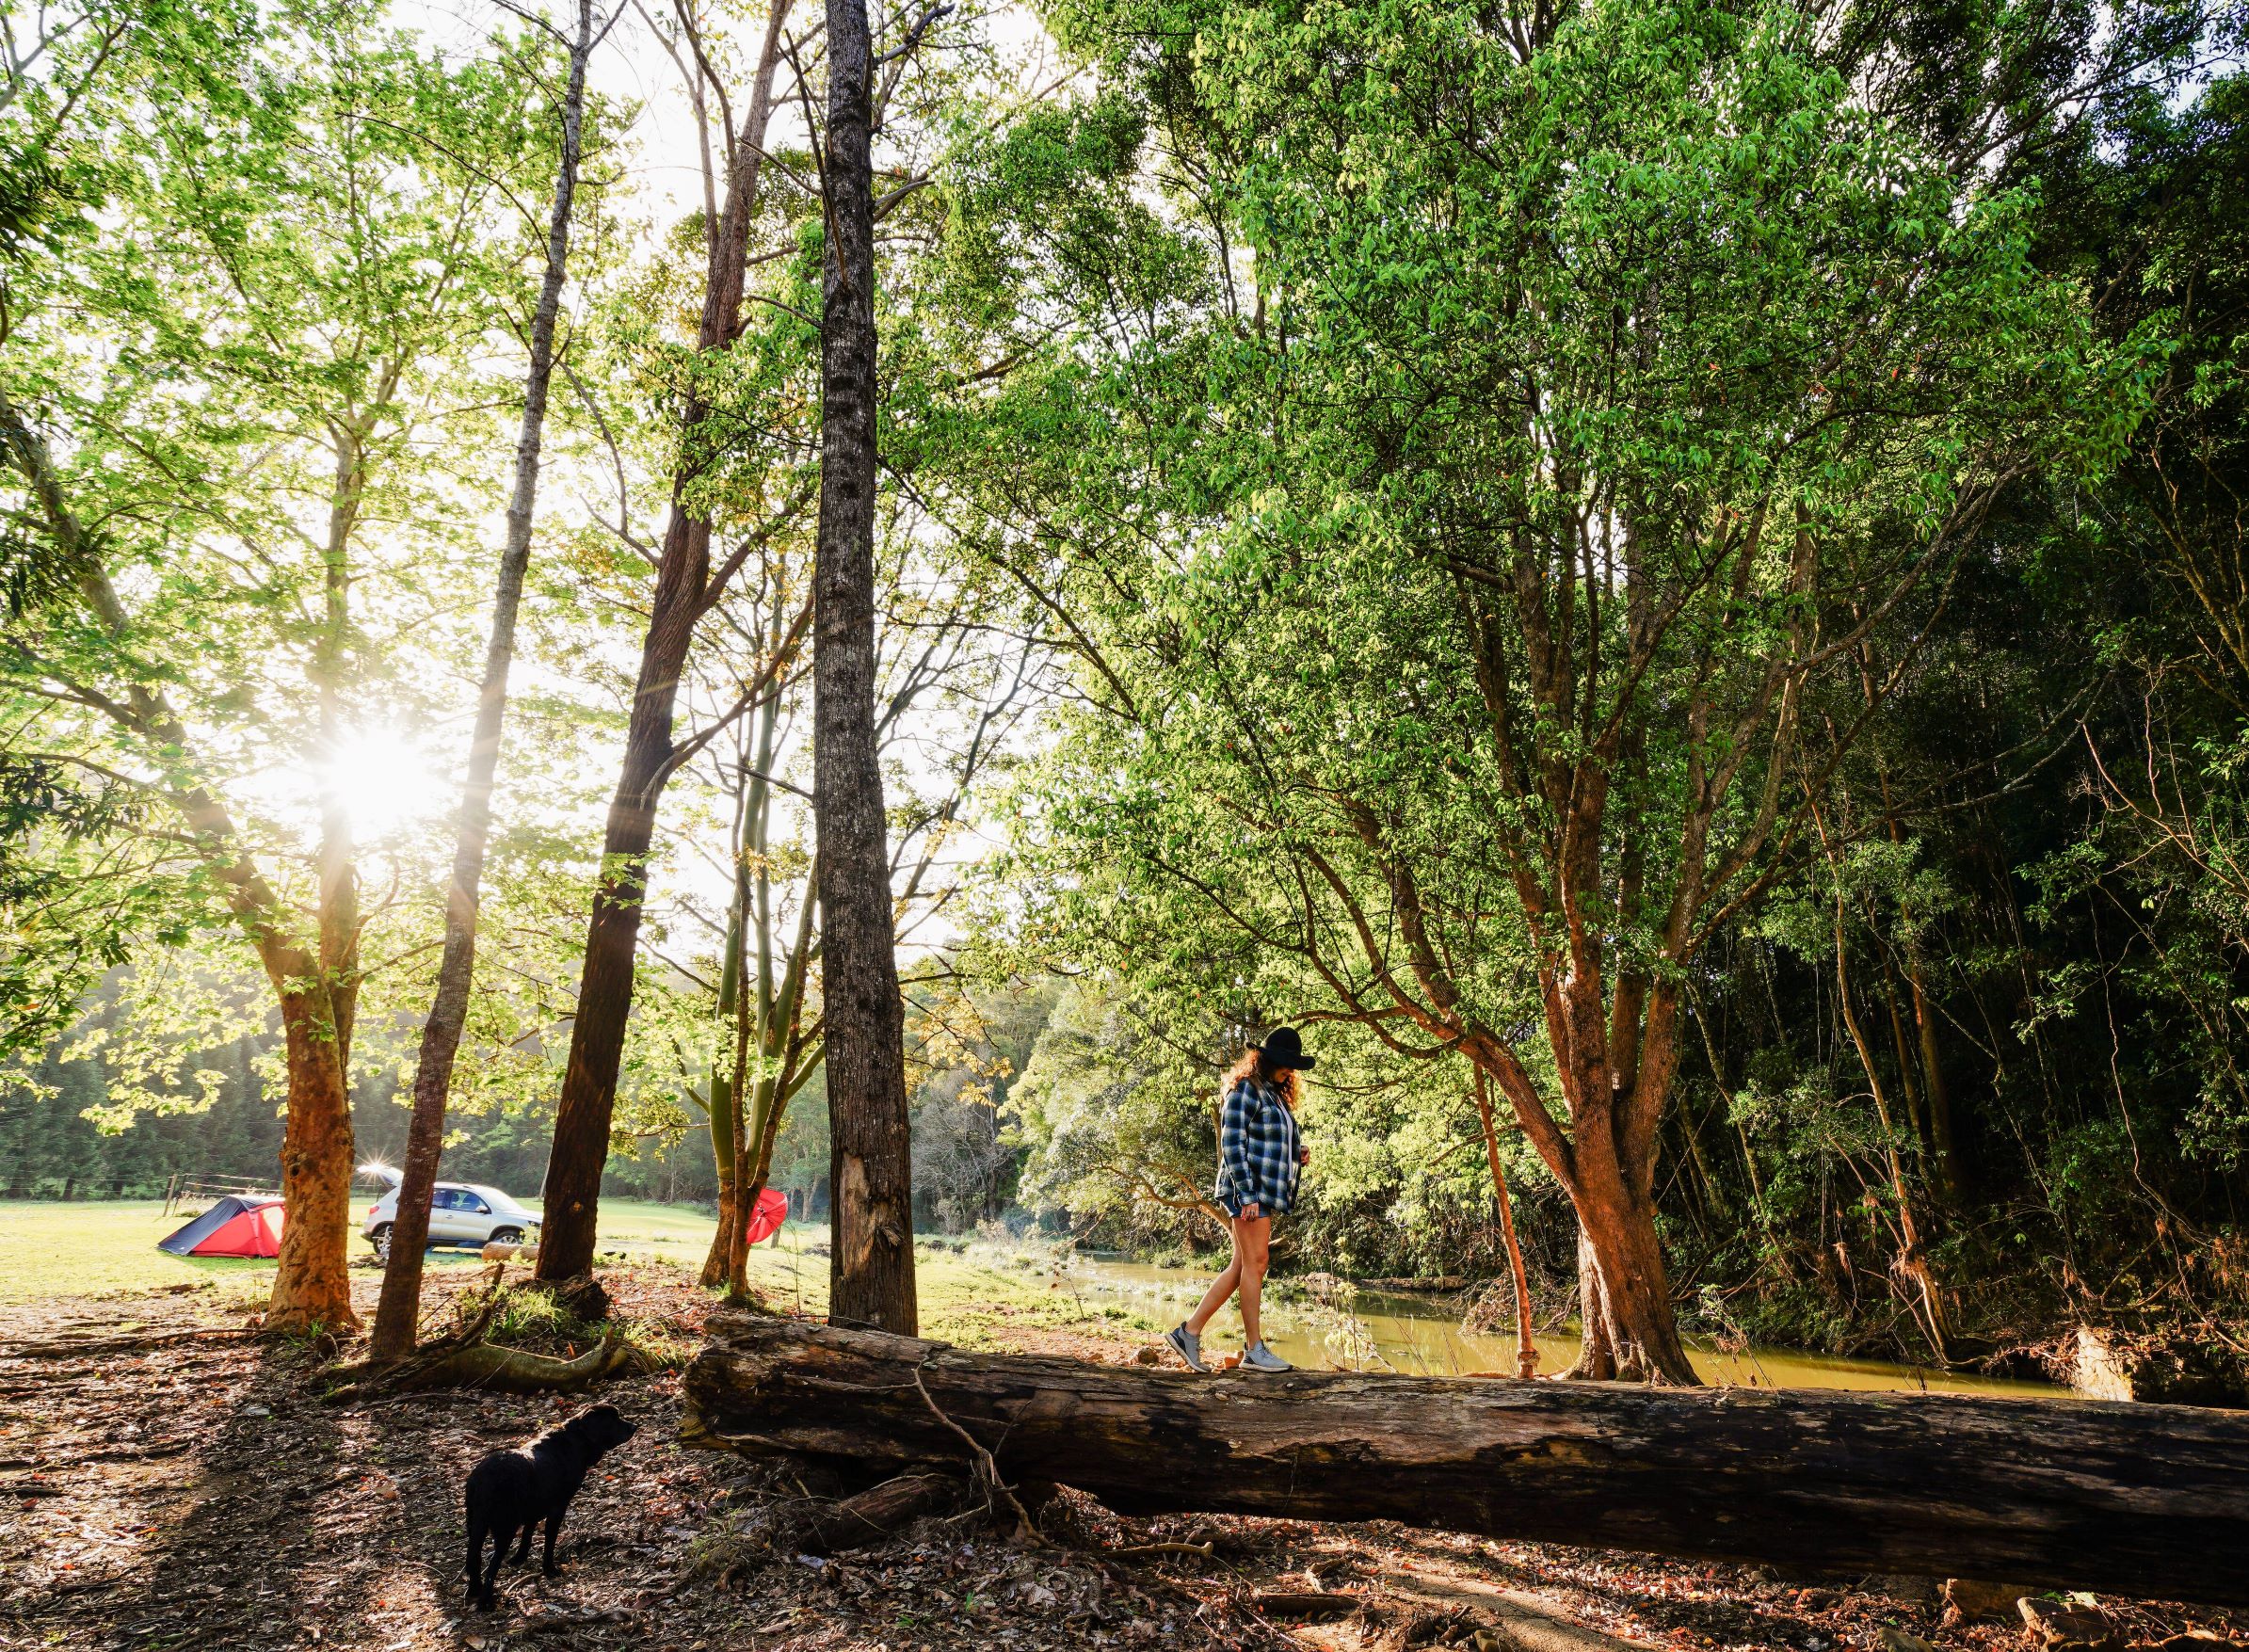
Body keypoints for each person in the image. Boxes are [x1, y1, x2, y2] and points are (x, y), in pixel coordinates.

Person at [1165, 1027, 1315, 1373]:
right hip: (1247, 1191)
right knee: (1257, 1264)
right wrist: (1246, 1194)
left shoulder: (1273, 1094)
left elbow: (1268, 1140)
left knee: (1242, 1267)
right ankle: (1253, 1350)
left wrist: (1297, 1151)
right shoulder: (1245, 1090)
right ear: (1267, 1059)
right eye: (1286, 1063)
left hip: (1260, 1191)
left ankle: (1188, 1333)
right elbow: (1232, 1145)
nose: (1290, 1070)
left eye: (1294, 1066)